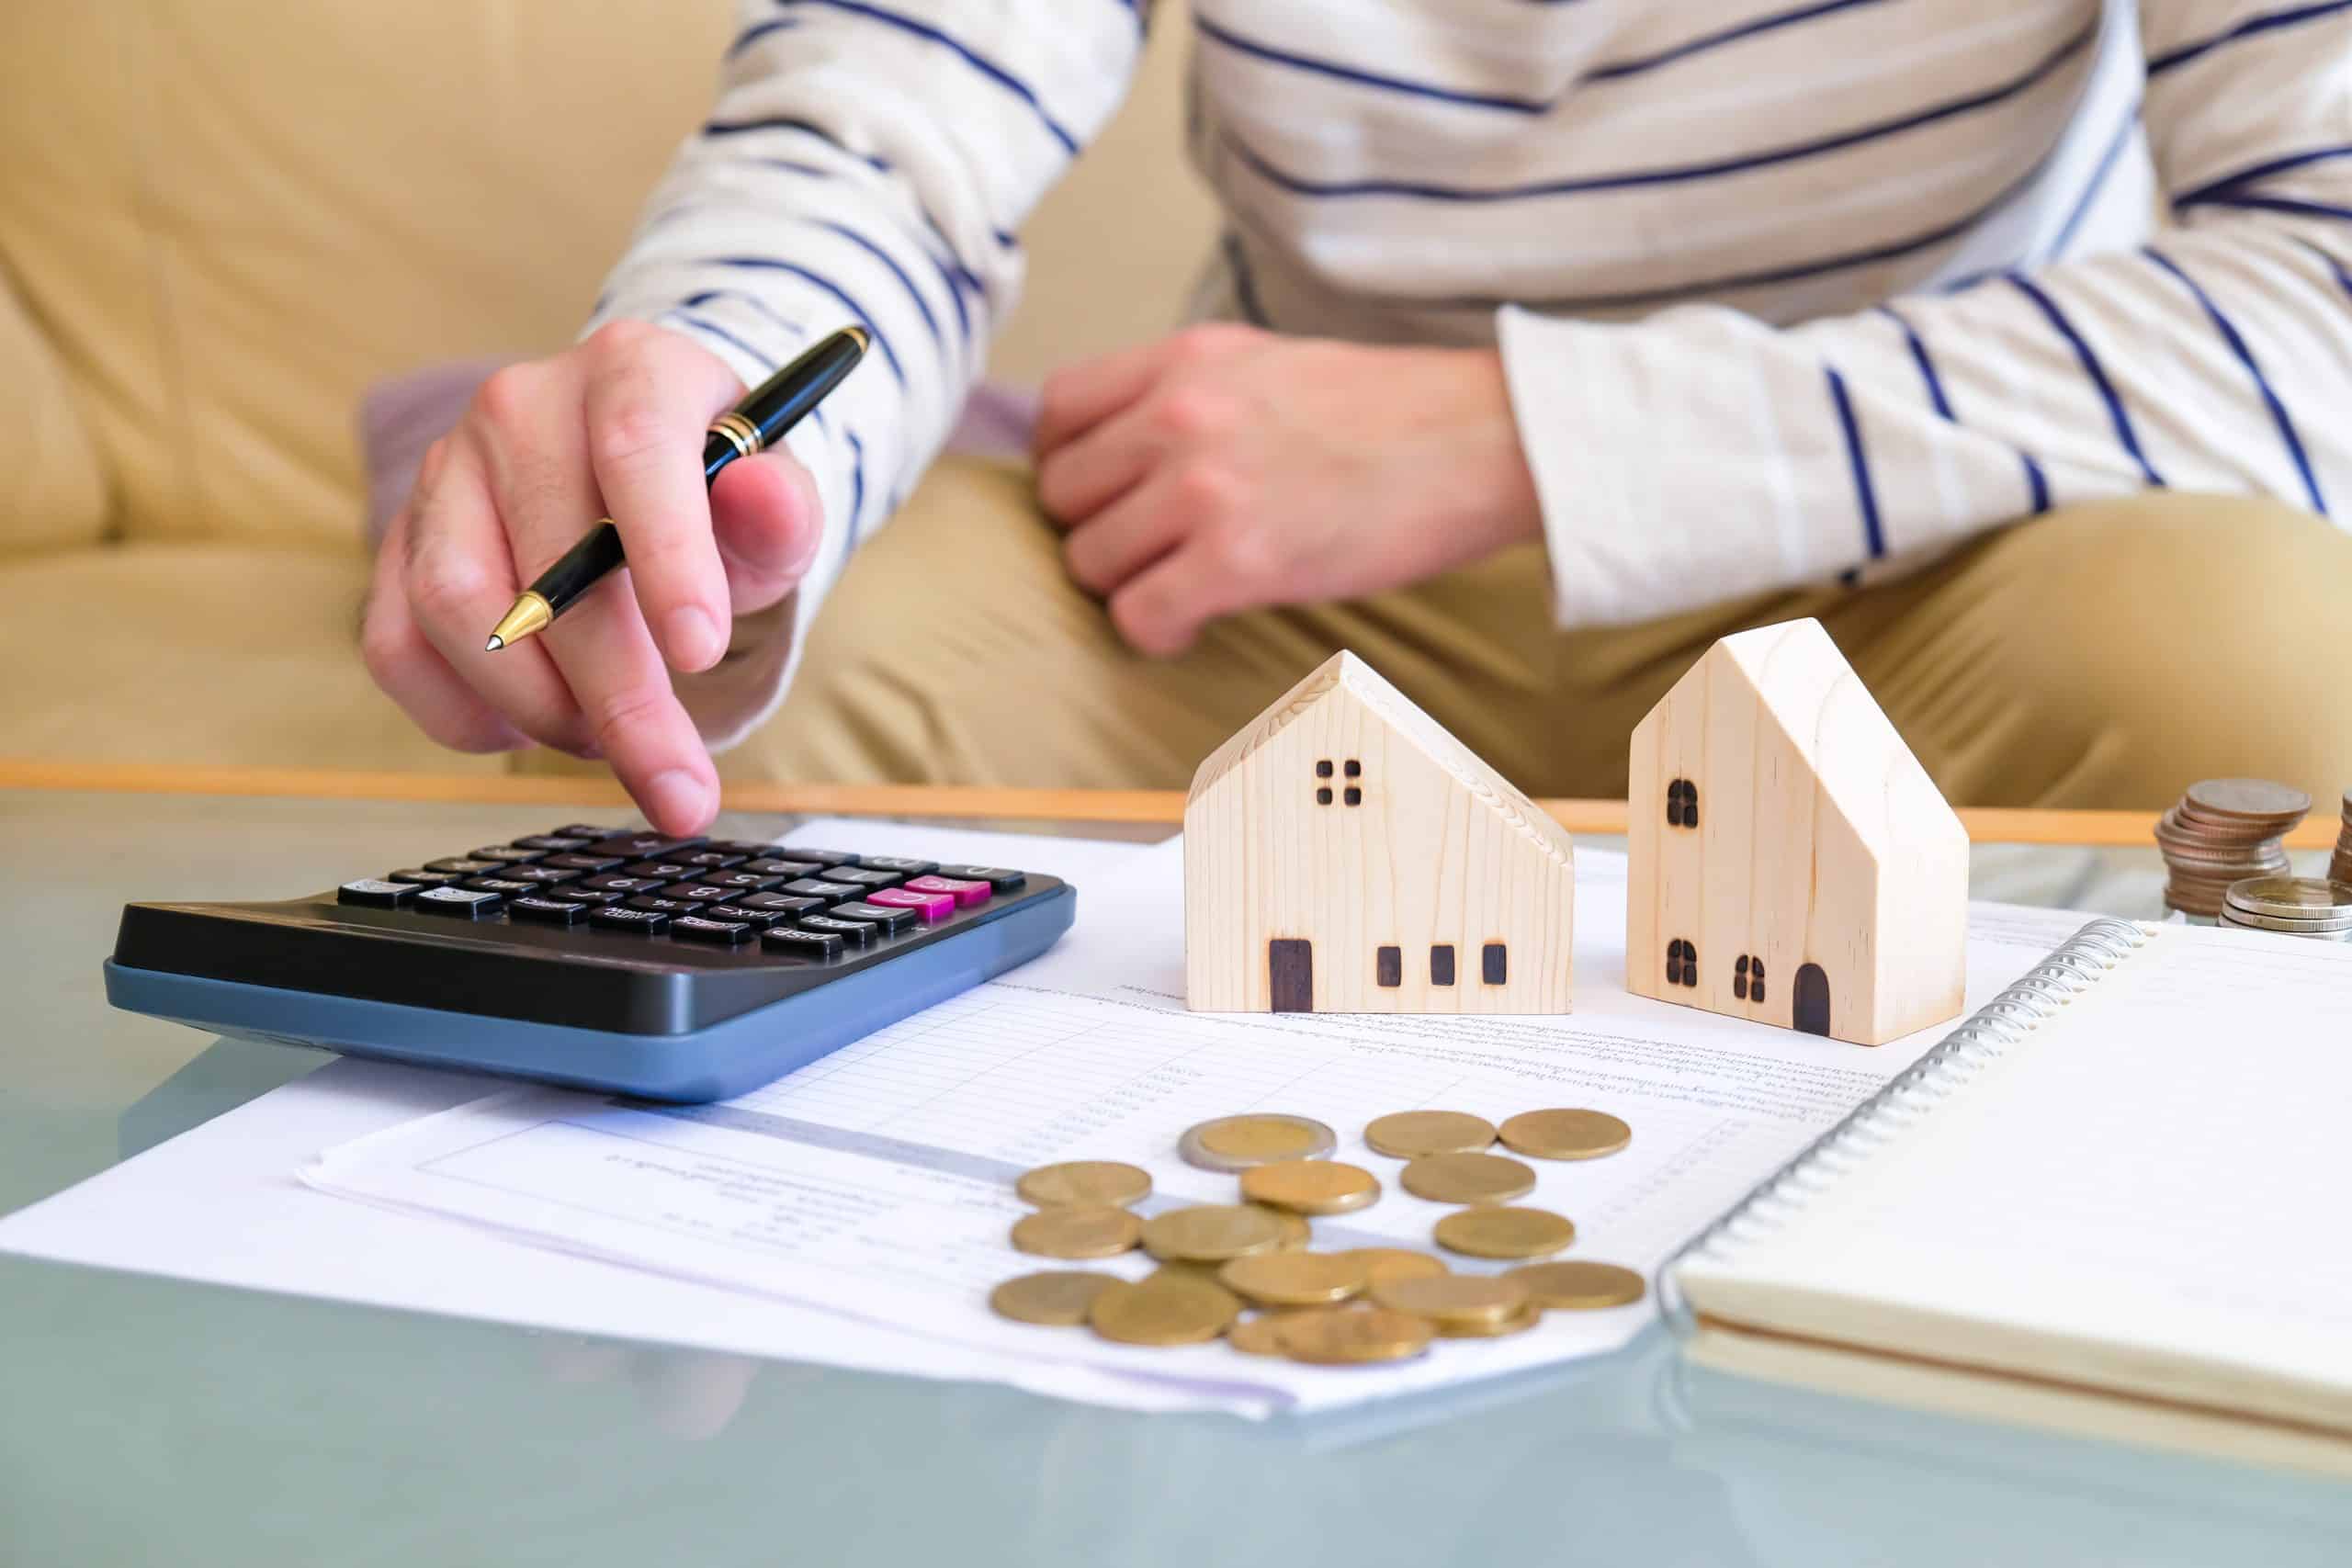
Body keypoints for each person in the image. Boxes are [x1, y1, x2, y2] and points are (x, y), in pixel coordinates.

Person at [361, 0, 2352, 835]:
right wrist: (698, 380)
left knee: (2263, 679)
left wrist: (1518, 438)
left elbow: (2319, 292)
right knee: (735, 691)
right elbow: (884, 136)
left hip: (1942, 556)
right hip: (1251, 582)